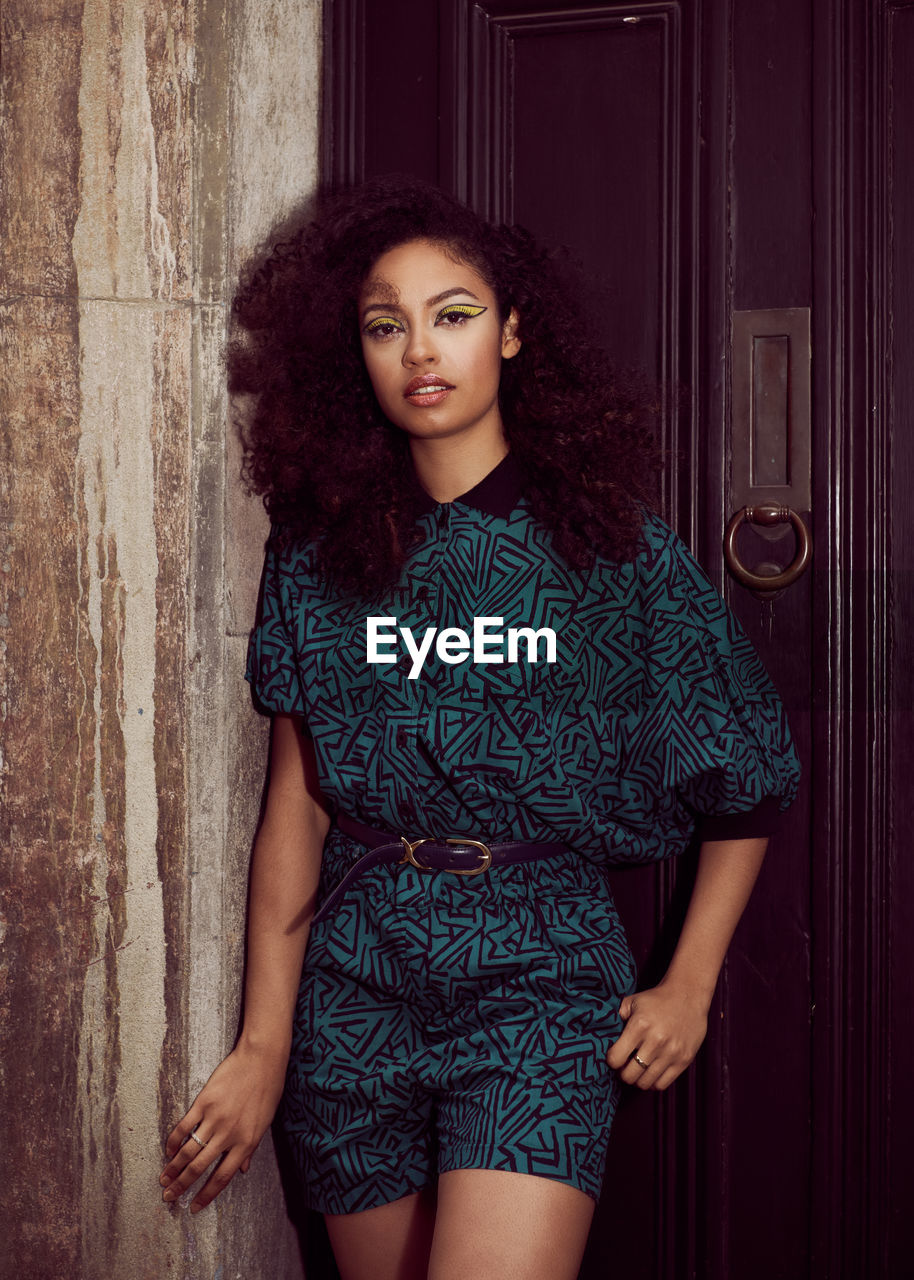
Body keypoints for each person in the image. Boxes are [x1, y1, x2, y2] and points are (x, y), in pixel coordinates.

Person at [159, 176, 800, 1280]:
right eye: (383, 323)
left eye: (452, 314)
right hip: (355, 983)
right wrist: (263, 1045)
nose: (419, 348)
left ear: (509, 332)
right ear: (350, 352)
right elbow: (297, 809)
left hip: (537, 973)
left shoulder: (607, 550)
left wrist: (687, 983)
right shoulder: (315, 555)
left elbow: (745, 777)